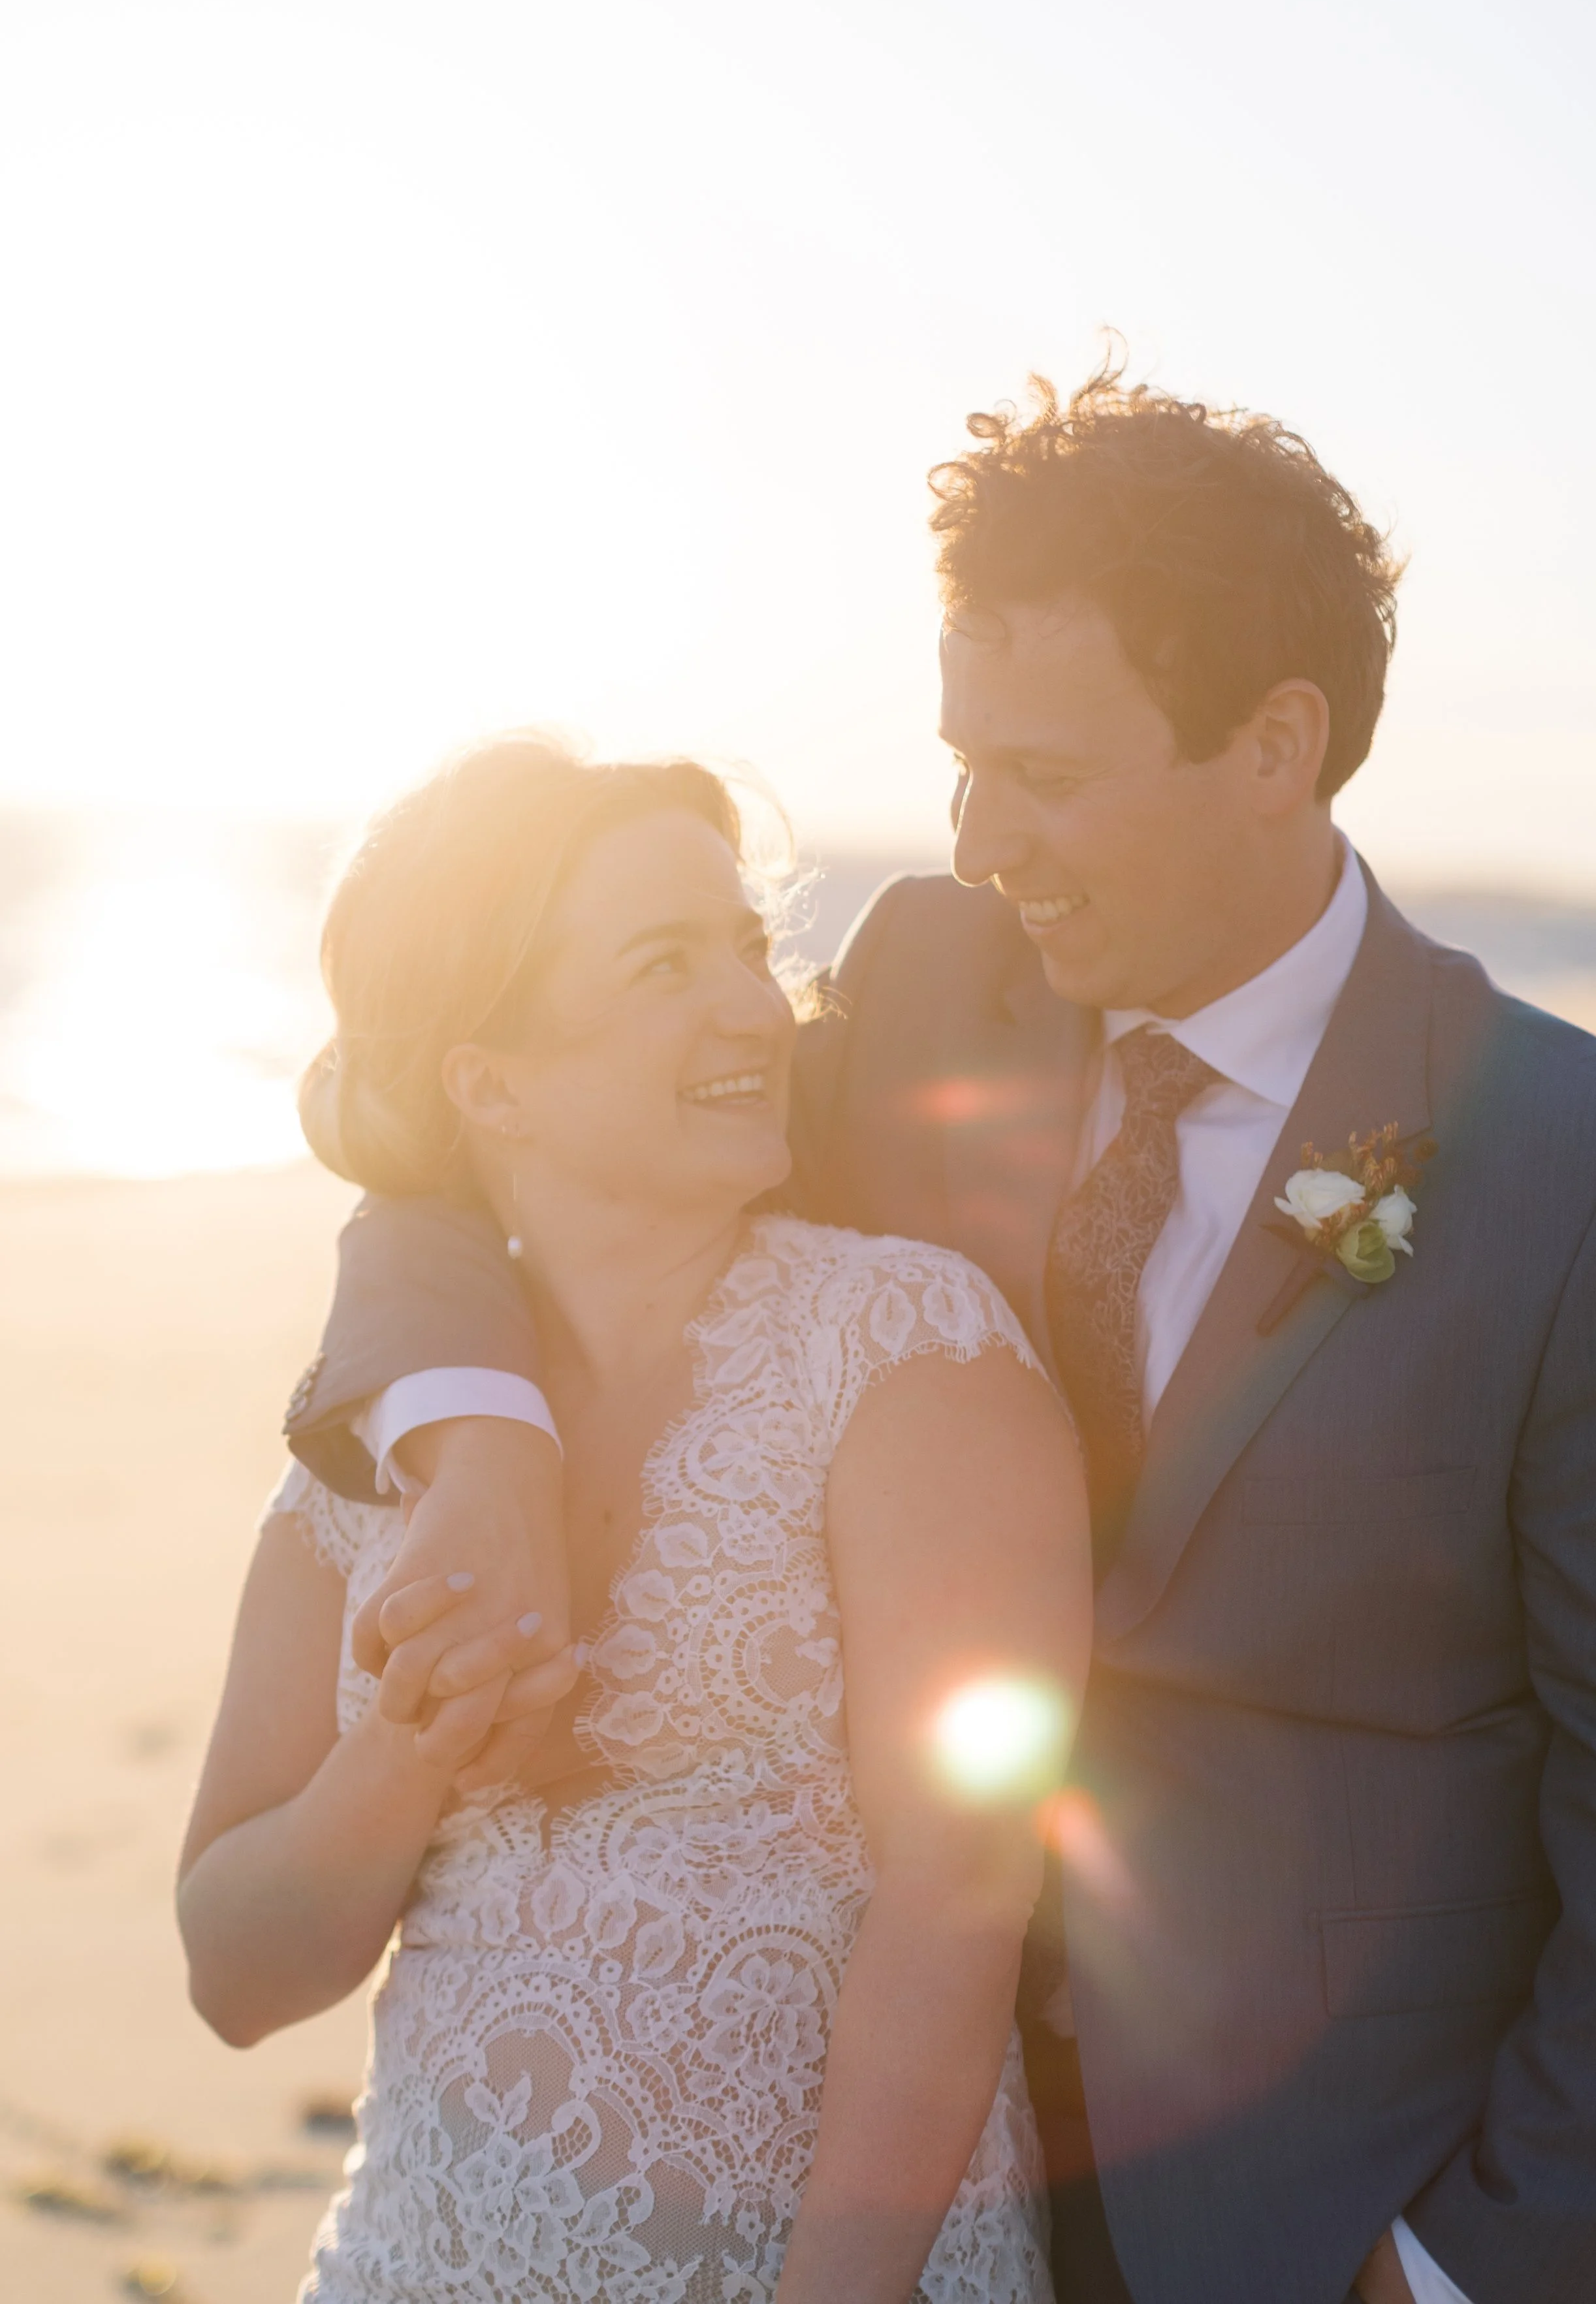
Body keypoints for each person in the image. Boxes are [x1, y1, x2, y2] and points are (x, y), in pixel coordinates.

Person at [284, 364, 1596, 2304]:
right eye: (961, 756)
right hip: (892, 2152)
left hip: (1323, 2206)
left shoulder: (1571, 1170)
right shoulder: (929, 989)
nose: (979, 833)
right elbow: (443, 1140)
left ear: (1274, 744)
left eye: (1049, 776)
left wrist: (1468, 2263)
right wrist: (475, 1424)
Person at [178, 740, 1093, 2303]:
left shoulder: (898, 1347)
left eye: (745, 947)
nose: (752, 1006)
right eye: (664, 965)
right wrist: (410, 1750)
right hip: (420, 2260)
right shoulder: (379, 1435)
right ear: (490, 1077)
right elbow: (239, 1977)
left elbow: (959, 1894)